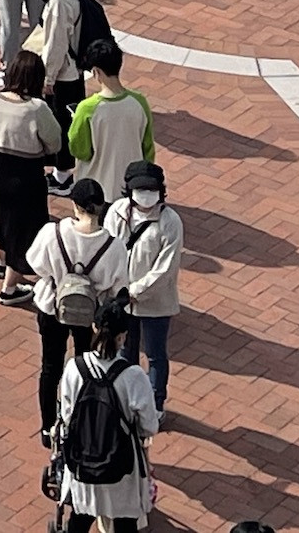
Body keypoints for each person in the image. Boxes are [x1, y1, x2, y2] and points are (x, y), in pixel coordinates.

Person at [27, 176, 128, 441]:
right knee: (87, 368)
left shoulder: (52, 233)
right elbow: (118, 287)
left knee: (51, 368)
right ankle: (83, 422)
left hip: (52, 307)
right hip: (90, 315)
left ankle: (49, 428)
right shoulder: (114, 246)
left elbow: (34, 263)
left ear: (75, 205)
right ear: (101, 207)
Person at [48, 307, 161, 533]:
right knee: (125, 522)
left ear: (94, 328)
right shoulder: (134, 375)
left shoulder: (74, 367)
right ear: (123, 337)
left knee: (81, 516)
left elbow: (68, 415)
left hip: (83, 458)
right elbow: (149, 425)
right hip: (122, 464)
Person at [0, 57, 67, 305]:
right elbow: (55, 141)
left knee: (3, 216)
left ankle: (0, 261)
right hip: (26, 175)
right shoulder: (36, 108)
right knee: (25, 230)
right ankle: (10, 289)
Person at [117, 160, 184, 411]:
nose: (146, 196)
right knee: (126, 353)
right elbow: (110, 250)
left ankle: (155, 405)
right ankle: (126, 398)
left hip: (156, 303)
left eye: (151, 190)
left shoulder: (170, 222)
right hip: (123, 301)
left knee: (156, 355)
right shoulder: (117, 213)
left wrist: (134, 291)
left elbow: (164, 269)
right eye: (140, 190)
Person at [66, 41, 155, 205]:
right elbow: (148, 148)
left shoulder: (86, 108)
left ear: (96, 72)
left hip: (96, 190)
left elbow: (79, 151)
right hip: (131, 188)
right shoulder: (140, 102)